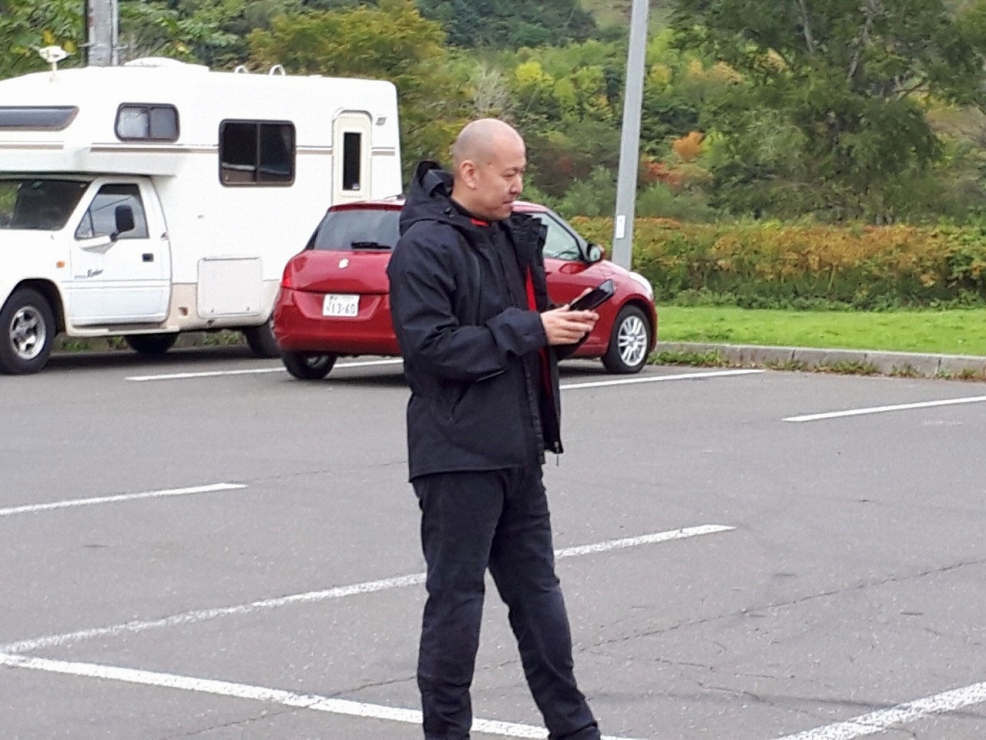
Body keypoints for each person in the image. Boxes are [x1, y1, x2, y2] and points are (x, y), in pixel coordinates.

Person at [386, 118, 603, 740]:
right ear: (469, 172)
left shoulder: (509, 236)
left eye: (522, 173)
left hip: (519, 450)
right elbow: (431, 349)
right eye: (509, 174)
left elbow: (519, 333)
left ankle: (575, 730)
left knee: (539, 598)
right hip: (456, 455)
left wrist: (558, 331)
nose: (518, 185)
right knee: (457, 602)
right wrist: (532, 329)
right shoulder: (424, 246)